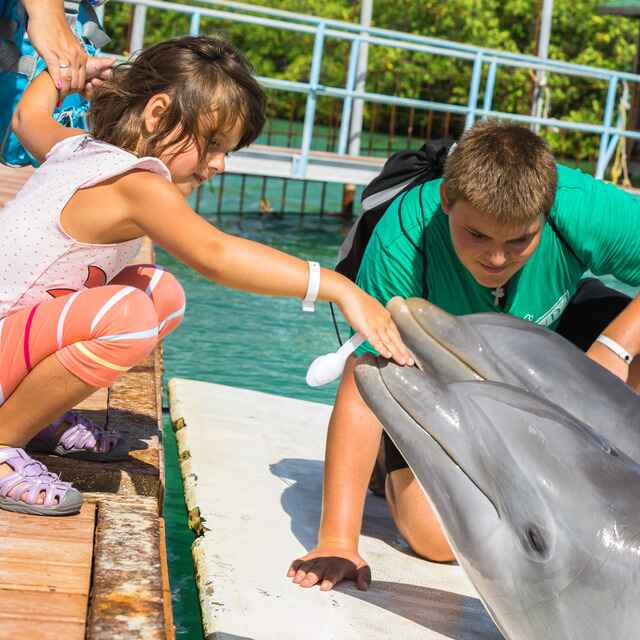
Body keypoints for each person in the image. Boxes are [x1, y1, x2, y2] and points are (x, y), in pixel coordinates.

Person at [0, 35, 413, 516]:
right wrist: (339, 287)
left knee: (161, 292)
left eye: (227, 151)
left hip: (14, 340)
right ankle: (5, 442)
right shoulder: (138, 185)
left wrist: (68, 72)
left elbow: (26, 119)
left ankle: (37, 416)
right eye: (212, 144)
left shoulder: (80, 148)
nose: (218, 164)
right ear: (157, 114)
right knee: (128, 314)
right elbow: (215, 254)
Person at [287, 120, 640, 591]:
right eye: (476, 236)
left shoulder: (578, 204)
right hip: (435, 370)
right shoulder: (402, 243)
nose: (496, 259)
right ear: (446, 202)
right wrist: (337, 538)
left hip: (538, 341)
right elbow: (363, 382)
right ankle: (386, 466)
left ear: (547, 211)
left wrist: (614, 347)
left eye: (519, 241)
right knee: (435, 540)